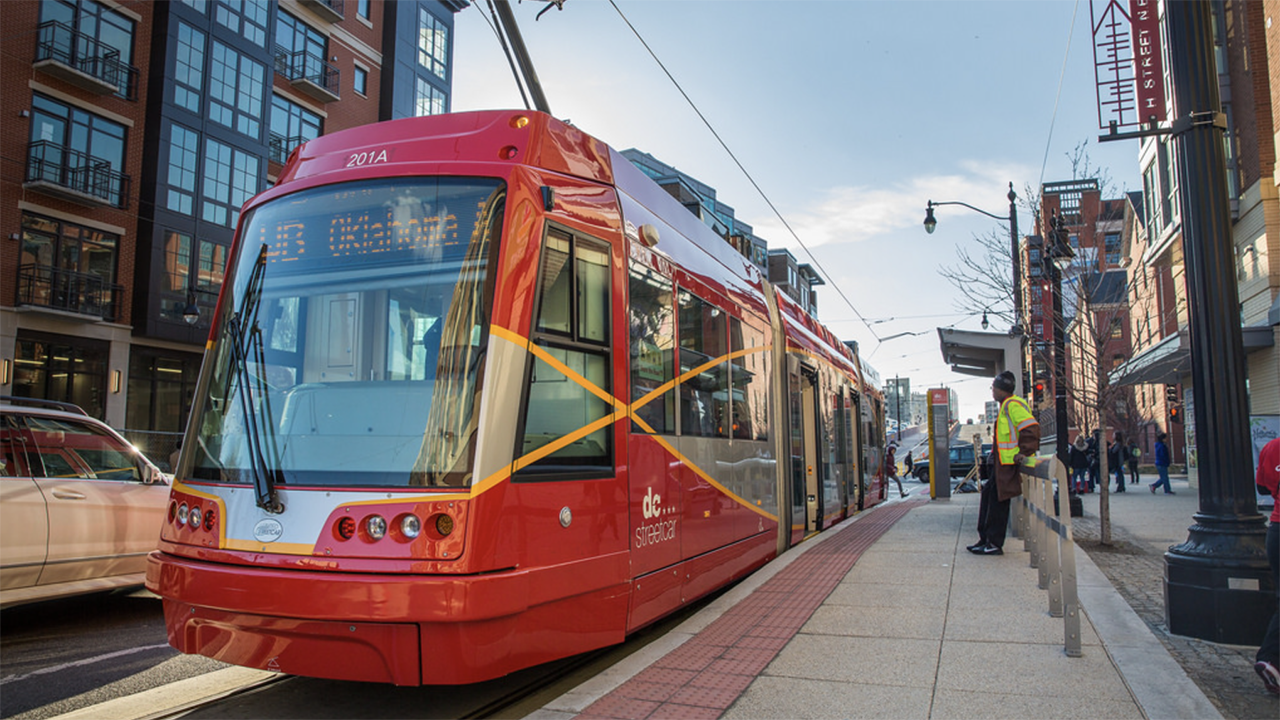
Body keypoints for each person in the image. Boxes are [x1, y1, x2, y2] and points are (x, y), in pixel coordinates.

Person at [969, 371, 1039, 556]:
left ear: (1001, 389)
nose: (992, 391)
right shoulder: (1006, 406)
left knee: (998, 503)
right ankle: (985, 539)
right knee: (989, 497)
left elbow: (1031, 428)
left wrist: (1023, 453)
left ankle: (993, 543)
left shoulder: (1012, 406)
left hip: (1007, 465)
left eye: (994, 388)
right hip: (1000, 463)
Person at [1252, 436, 1280, 696]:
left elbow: (1261, 486)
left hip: (1277, 530)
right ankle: (1271, 659)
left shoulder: (1272, 447)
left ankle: (1271, 661)